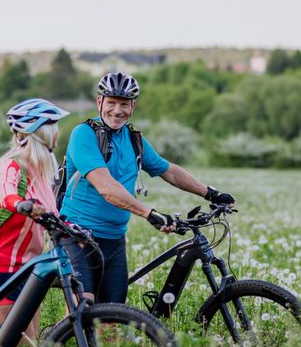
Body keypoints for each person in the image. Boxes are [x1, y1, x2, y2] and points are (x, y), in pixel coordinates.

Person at [60, 72, 235, 304]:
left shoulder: (133, 139)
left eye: (124, 104)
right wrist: (149, 214)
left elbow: (168, 171)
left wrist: (210, 192)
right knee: (83, 309)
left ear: (133, 105)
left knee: (111, 318)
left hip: (114, 240)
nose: (117, 110)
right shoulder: (84, 134)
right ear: (99, 102)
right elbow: (106, 186)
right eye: (111, 102)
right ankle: (59, 340)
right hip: (78, 236)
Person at [0, 98, 69, 341]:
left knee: (31, 344)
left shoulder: (41, 172)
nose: (56, 135)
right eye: (50, 130)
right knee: (16, 341)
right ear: (34, 134)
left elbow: (54, 214)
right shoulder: (11, 166)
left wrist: (73, 229)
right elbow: (7, 195)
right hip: (5, 264)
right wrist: (22, 205)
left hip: (31, 265)